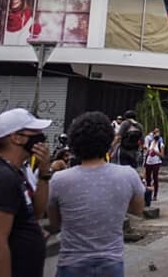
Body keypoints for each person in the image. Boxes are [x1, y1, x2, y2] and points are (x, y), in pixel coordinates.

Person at [47, 111, 145, 277]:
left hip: (71, 263)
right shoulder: (128, 175)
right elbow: (137, 210)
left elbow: (55, 223)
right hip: (111, 263)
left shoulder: (59, 179)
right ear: (108, 140)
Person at [0, 108, 52, 277]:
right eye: (34, 132)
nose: (41, 137)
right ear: (17, 137)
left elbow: (36, 212)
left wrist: (44, 174)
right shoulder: (1, 178)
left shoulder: (17, 172)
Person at [143, 127, 165, 201]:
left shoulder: (160, 144)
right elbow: (148, 151)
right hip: (149, 161)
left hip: (156, 162)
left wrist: (155, 152)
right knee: (148, 178)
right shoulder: (150, 142)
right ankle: (148, 194)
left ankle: (155, 194)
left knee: (155, 178)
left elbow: (162, 155)